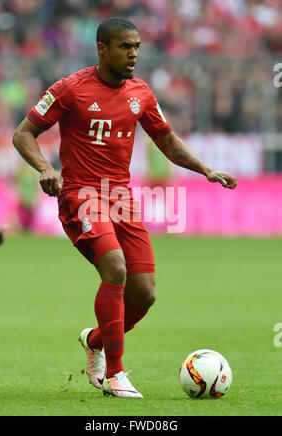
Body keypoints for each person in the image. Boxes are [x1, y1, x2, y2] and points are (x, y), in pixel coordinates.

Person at [12, 17, 237, 399]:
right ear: (102, 48)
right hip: (80, 194)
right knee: (114, 267)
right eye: (125, 47)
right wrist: (46, 168)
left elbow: (168, 141)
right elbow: (23, 134)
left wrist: (205, 169)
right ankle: (115, 374)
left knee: (145, 293)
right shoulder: (70, 89)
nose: (133, 54)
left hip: (121, 198)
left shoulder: (142, 94)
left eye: (136, 47)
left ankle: (96, 341)